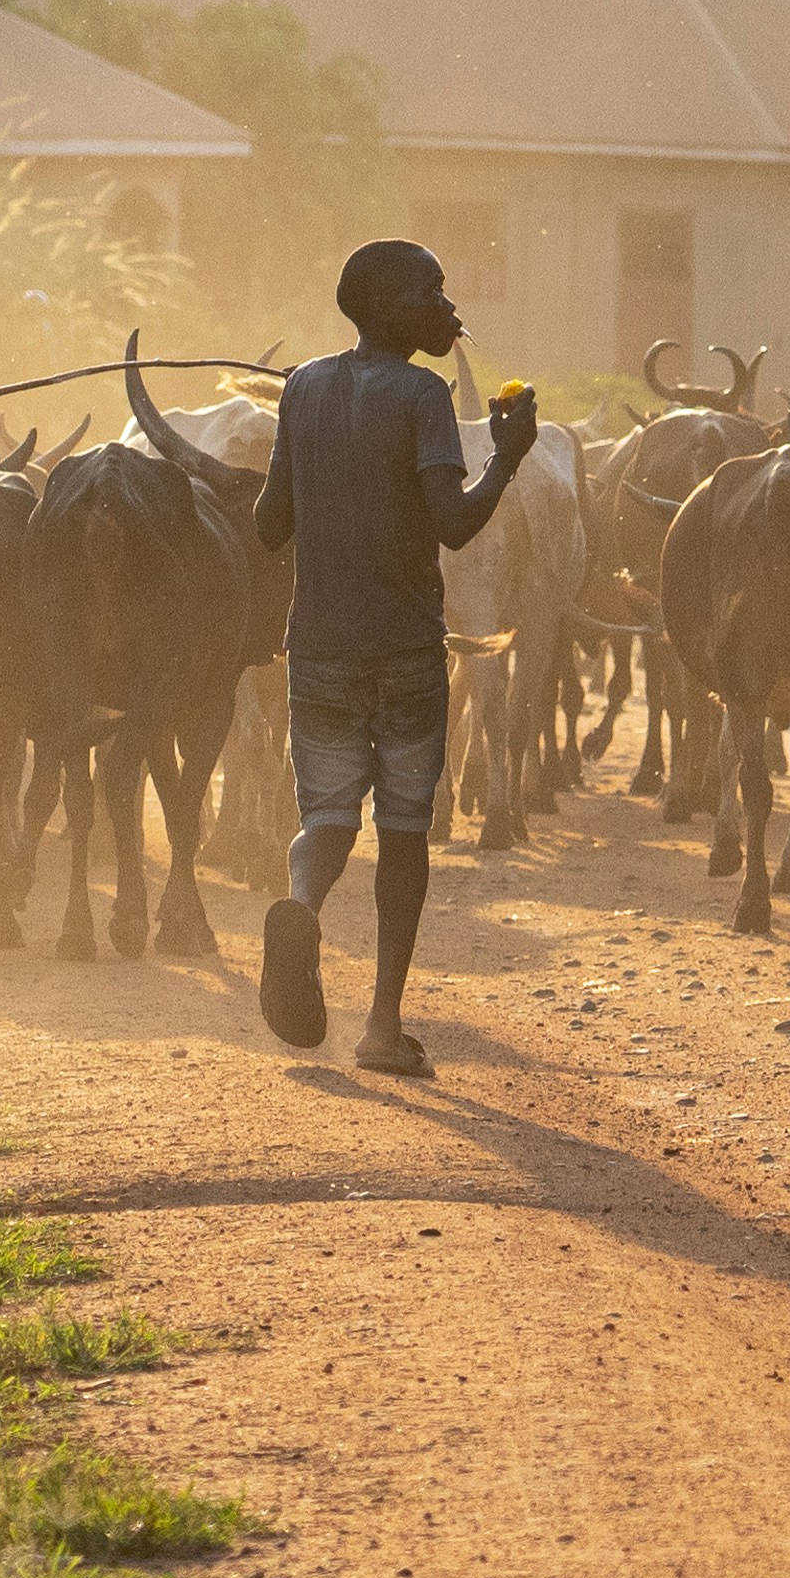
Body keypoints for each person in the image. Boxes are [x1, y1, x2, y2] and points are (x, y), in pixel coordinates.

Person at [251, 239, 538, 1077]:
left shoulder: (302, 387)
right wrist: (509, 457)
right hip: (408, 649)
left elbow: (270, 526)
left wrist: (310, 467)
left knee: (327, 818)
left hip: (320, 649)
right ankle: (381, 1028)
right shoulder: (423, 396)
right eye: (433, 293)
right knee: (404, 831)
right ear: (388, 310)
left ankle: (300, 903)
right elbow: (452, 523)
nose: (451, 309)